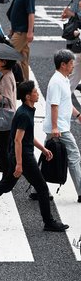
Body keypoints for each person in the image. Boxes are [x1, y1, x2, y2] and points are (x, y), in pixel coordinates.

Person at [0, 81, 69, 232]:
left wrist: (43, 149)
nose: (38, 94)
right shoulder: (24, 114)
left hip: (20, 155)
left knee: (5, 185)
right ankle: (49, 222)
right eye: (35, 92)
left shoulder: (27, 110)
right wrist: (19, 164)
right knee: (42, 189)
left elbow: (27, 136)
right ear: (28, 96)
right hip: (23, 156)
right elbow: (18, 140)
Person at [42, 50, 81, 203]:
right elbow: (54, 105)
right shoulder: (57, 81)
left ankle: (37, 188)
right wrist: (55, 127)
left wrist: (77, 115)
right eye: (71, 63)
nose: (73, 66)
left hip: (59, 126)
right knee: (74, 156)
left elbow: (67, 103)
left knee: (47, 156)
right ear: (63, 65)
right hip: (60, 128)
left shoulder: (63, 79)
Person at [7, 0, 35, 81]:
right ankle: (26, 86)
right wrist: (12, 28)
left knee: (7, 55)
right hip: (17, 30)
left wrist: (29, 32)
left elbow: (31, 13)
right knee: (23, 60)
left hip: (22, 32)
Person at [60, 0, 81, 91]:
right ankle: (66, 92)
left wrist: (70, 13)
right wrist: (67, 15)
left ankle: (66, 93)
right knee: (75, 69)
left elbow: (79, 17)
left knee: (74, 66)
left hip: (77, 39)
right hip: (75, 38)